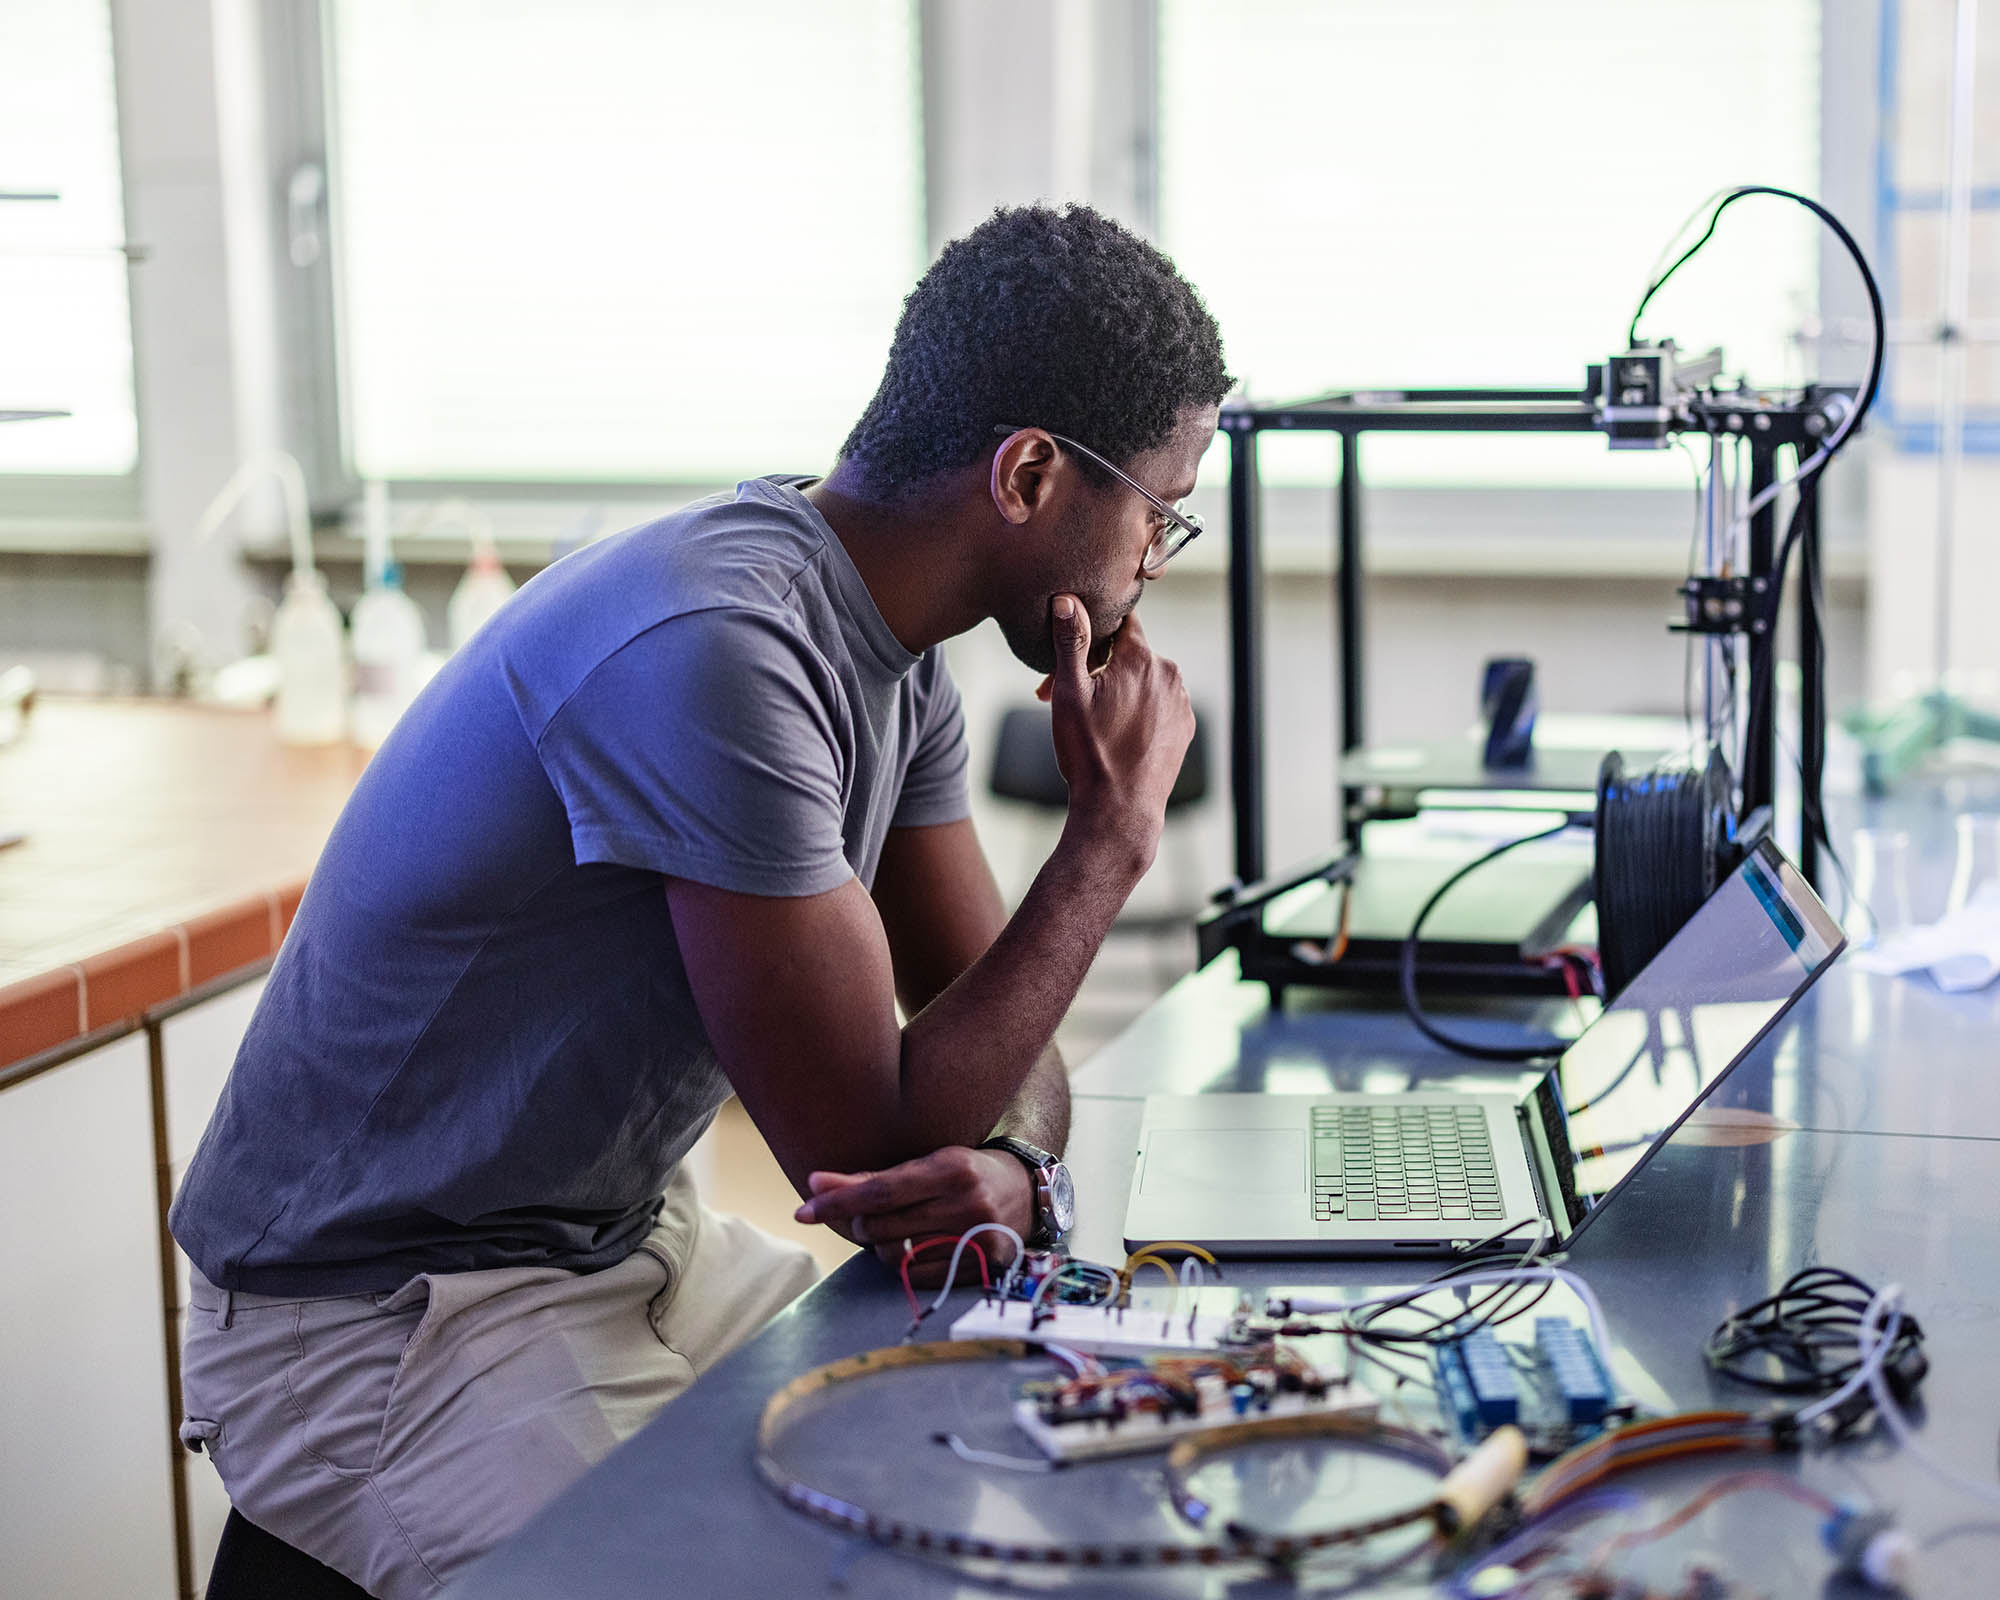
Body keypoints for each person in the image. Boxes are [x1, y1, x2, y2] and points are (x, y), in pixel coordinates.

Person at [170, 201, 1231, 1596]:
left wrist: (1019, 1169)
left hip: (614, 1243)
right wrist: (1110, 841)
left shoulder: (898, 666)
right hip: (377, 1315)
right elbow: (864, 1151)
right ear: (1029, 474)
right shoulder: (723, 647)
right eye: (1162, 510)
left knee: (978, 1452)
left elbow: (999, 1057)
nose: (1157, 559)